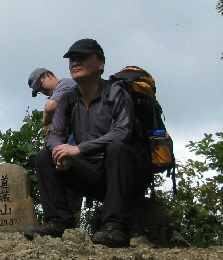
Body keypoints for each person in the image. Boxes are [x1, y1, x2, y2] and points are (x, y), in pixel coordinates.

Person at [23, 39, 150, 248]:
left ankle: (115, 228)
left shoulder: (116, 93)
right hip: (93, 175)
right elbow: (53, 134)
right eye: (72, 59)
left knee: (117, 148)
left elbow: (122, 132)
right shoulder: (69, 100)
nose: (75, 62)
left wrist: (79, 149)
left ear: (100, 64)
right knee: (45, 155)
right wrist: (59, 151)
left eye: (82, 57)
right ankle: (58, 222)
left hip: (126, 176)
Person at [28, 67, 76, 135]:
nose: (42, 91)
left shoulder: (65, 84)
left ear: (48, 75)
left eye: (41, 86)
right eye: (39, 90)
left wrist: (46, 124)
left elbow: (49, 108)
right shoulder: (56, 95)